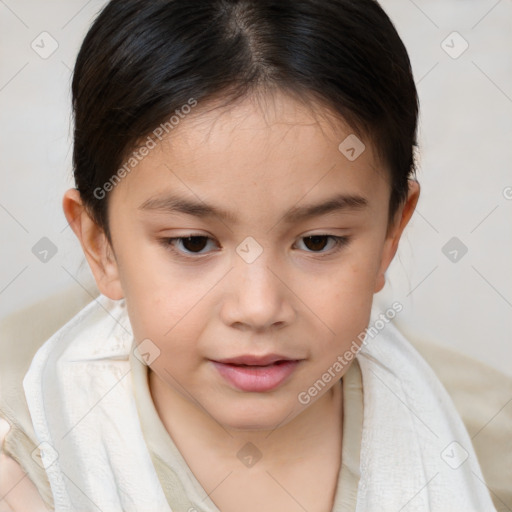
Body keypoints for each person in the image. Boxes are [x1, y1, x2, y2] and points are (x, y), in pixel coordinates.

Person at [0, 0, 500, 510]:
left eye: (318, 241)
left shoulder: (480, 446)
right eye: (193, 243)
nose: (258, 308)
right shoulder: (28, 473)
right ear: (99, 244)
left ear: (392, 231)